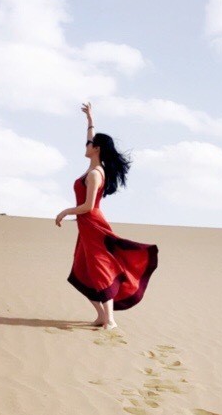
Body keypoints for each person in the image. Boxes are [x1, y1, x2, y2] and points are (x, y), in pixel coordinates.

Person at [55, 103, 158, 329]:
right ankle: (102, 316)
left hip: (92, 224)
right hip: (86, 226)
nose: (86, 145)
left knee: (100, 268)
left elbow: (88, 206)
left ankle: (110, 319)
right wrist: (90, 119)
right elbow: (92, 136)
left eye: (90, 144)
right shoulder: (93, 166)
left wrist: (65, 211)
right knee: (81, 269)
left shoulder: (94, 174)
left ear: (97, 149)